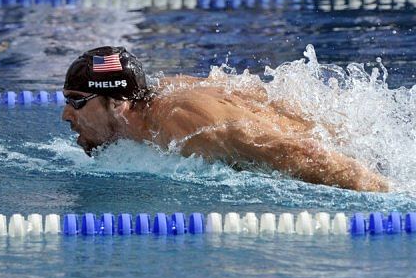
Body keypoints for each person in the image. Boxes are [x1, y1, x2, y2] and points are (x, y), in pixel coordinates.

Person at [61, 46, 388, 192]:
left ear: (116, 103)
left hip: (355, 159)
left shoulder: (183, 125)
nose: (65, 115)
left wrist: (389, 193)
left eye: (76, 102)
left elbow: (299, 153)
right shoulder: (158, 98)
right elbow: (256, 93)